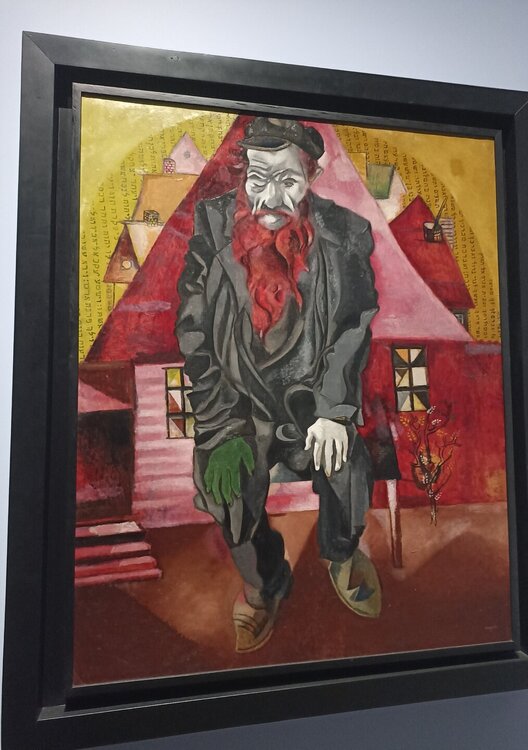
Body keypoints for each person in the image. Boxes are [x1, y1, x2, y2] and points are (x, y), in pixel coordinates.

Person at [176, 116, 383, 653]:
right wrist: (223, 424)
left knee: (347, 463)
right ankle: (263, 580)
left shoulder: (346, 233)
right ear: (243, 173)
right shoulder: (212, 226)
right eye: (258, 177)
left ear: (311, 177)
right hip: (241, 404)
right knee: (224, 482)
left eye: (288, 180)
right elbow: (195, 333)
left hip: (312, 400)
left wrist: (334, 408)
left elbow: (354, 324)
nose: (270, 196)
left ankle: (342, 552)